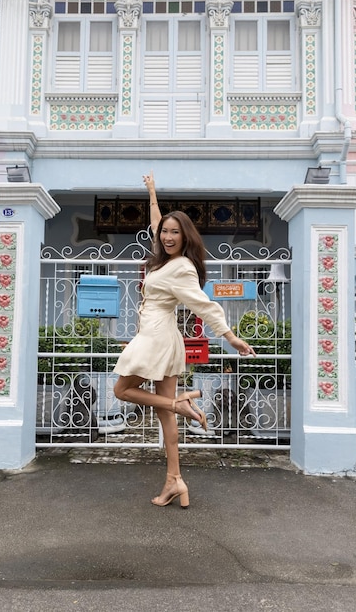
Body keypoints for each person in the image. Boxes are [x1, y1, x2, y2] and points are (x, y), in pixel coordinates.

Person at [114, 171, 255, 509]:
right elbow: (154, 223)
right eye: (165, 232)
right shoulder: (163, 260)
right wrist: (152, 193)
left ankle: (179, 402)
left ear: (185, 236)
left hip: (157, 338)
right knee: (166, 419)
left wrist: (230, 336)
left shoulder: (182, 268)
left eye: (175, 232)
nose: (167, 236)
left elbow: (203, 304)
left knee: (122, 390)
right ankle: (174, 481)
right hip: (157, 336)